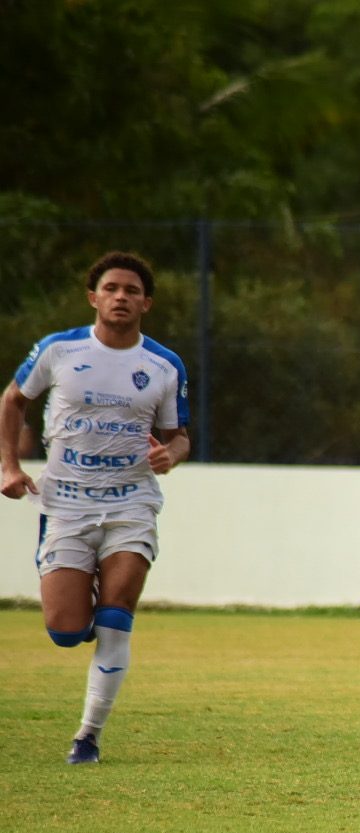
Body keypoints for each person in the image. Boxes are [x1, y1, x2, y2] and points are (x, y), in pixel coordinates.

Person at [0, 251, 190, 765]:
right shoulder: (59, 350)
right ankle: (78, 614)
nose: (121, 297)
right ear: (94, 297)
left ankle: (87, 737)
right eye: (111, 288)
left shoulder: (163, 365)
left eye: (132, 290)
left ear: (146, 303)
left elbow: (179, 437)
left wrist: (168, 455)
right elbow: (13, 399)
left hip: (132, 504)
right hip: (66, 505)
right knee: (65, 631)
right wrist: (9, 467)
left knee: (117, 613)